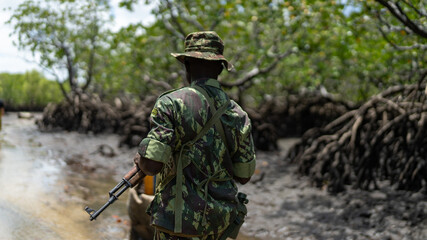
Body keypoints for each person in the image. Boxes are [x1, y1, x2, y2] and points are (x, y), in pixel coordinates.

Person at [132, 31, 256, 240]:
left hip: (178, 226)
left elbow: (152, 166)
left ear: (187, 65)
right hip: (220, 227)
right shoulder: (238, 114)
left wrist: (140, 160)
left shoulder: (170, 103)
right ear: (220, 68)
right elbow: (244, 174)